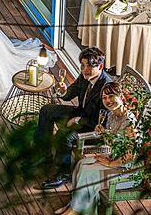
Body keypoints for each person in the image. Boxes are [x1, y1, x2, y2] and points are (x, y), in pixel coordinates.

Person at [53, 81, 136, 215]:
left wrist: (109, 163)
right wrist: (104, 132)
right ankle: (74, 205)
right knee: (81, 164)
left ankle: (75, 211)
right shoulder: (111, 115)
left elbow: (130, 155)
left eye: (111, 96)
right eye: (104, 98)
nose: (107, 101)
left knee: (88, 172)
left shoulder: (129, 123)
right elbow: (113, 140)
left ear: (121, 96)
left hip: (126, 168)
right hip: (112, 155)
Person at [34, 47, 112, 189]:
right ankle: (44, 154)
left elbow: (103, 122)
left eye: (89, 66)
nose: (84, 70)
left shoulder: (106, 88)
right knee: (47, 111)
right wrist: (64, 91)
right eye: (82, 65)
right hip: (81, 113)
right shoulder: (85, 75)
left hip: (93, 128)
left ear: (100, 66)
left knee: (64, 135)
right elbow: (71, 92)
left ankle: (64, 173)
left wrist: (77, 120)